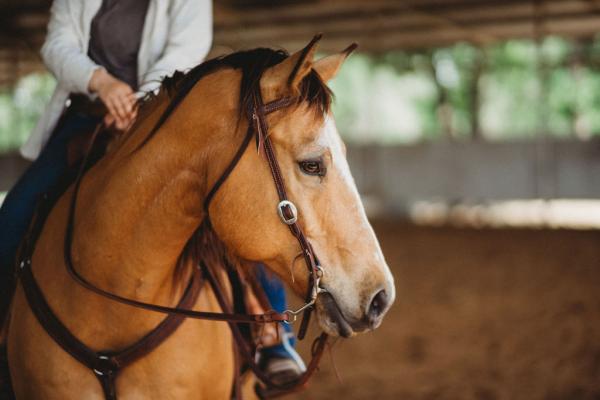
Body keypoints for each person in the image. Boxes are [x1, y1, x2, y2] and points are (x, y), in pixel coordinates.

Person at [0, 0, 304, 384]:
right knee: (12, 219)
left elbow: (185, 51)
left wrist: (139, 101)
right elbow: (56, 45)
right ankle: (7, 342)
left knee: (237, 210)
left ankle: (276, 339)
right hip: (85, 118)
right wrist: (102, 82)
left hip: (163, 117)